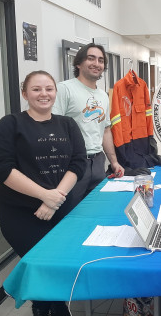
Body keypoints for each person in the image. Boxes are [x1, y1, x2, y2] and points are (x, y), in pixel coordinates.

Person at [0, 71, 87, 316]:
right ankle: (50, 307)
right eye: (36, 89)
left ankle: (48, 306)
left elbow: (78, 163)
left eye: (49, 89)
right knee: (41, 266)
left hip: (60, 209)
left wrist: (54, 200)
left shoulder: (67, 124)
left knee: (58, 265)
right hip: (20, 215)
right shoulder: (10, 124)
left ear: (55, 92)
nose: (43, 94)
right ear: (25, 93)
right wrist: (44, 195)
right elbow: (1, 167)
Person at [53, 43, 125, 203]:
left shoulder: (103, 96)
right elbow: (53, 128)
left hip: (98, 162)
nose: (96, 64)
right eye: (91, 58)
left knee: (95, 208)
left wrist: (114, 162)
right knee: (70, 211)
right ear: (78, 63)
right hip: (73, 163)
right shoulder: (65, 89)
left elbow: (105, 130)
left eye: (100, 60)